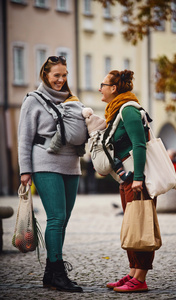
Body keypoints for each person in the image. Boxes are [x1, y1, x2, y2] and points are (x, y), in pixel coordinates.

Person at [18, 56, 84, 293]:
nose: (61, 79)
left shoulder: (72, 99)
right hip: (45, 162)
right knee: (56, 217)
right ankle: (57, 272)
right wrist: (25, 170)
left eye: (64, 74)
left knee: (64, 219)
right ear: (45, 74)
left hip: (72, 164)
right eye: (56, 75)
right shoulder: (33, 101)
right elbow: (24, 137)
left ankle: (50, 273)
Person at [99, 69, 157, 293]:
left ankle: (140, 278)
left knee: (141, 224)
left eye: (102, 85)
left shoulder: (129, 109)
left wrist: (139, 179)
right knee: (132, 224)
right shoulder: (115, 111)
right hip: (127, 177)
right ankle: (133, 272)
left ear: (113, 89)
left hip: (137, 178)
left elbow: (140, 145)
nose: (100, 89)